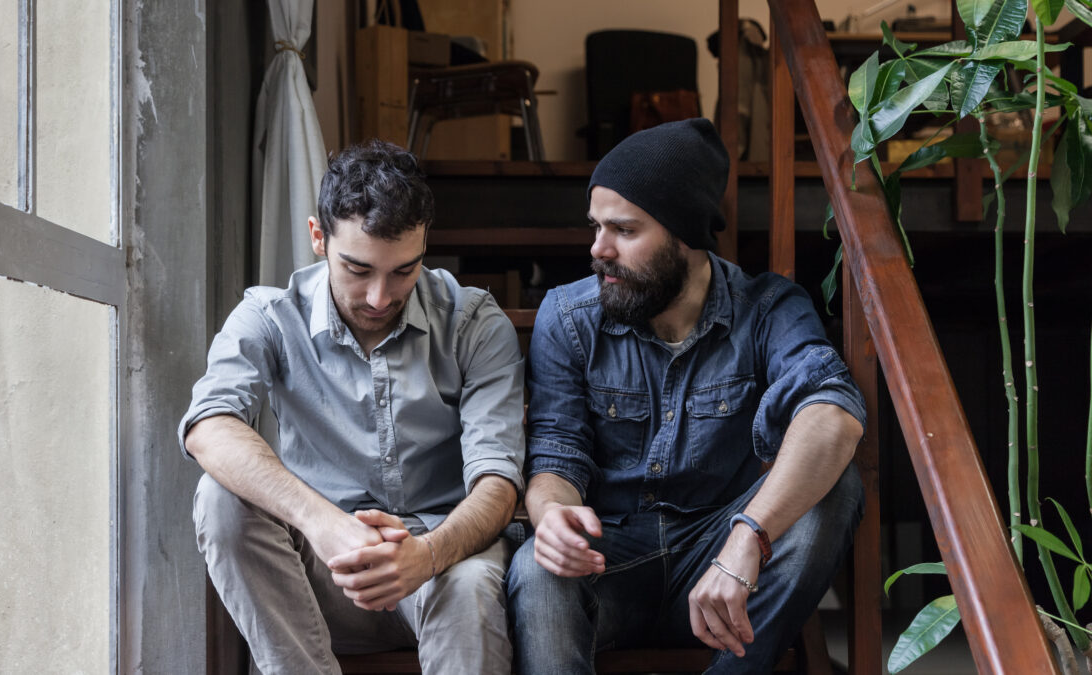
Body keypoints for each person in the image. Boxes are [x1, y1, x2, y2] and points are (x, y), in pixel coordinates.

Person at [506, 118, 866, 674]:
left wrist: (749, 536)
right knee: (536, 567)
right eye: (596, 226)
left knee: (834, 486)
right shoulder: (569, 317)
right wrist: (551, 513)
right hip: (610, 556)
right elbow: (556, 451)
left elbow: (833, 414)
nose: (598, 249)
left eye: (623, 231)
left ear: (686, 235)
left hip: (724, 560)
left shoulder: (768, 310)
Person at [179, 140, 525, 675]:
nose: (380, 298)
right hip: (320, 573)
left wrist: (426, 554)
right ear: (318, 236)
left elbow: (498, 484)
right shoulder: (269, 316)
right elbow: (208, 426)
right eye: (358, 270)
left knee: (472, 589)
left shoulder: (475, 323)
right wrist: (324, 524)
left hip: (444, 559)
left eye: (404, 271)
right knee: (219, 496)